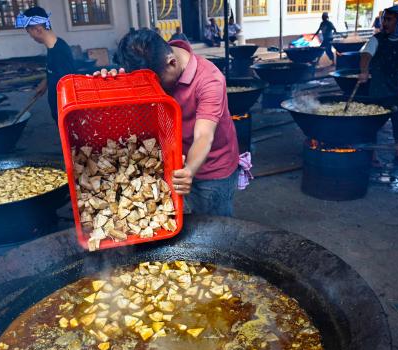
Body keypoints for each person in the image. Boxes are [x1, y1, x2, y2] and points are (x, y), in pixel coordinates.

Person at [97, 29, 240, 216]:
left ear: (172, 63)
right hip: (174, 161)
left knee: (215, 226)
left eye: (159, 84)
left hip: (211, 169)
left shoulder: (210, 80)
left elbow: (204, 136)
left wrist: (189, 170)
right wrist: (112, 82)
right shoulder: (155, 63)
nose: (156, 90)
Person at [359, 5, 398, 167]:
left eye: (389, 19)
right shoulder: (377, 39)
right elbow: (366, 55)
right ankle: (373, 155)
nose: (384, 23)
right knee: (373, 123)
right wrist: (364, 71)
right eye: (384, 18)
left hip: (397, 89)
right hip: (378, 89)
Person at [16, 6, 76, 122]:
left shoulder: (59, 52)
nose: (31, 37)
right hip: (58, 113)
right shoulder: (52, 47)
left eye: (29, 32)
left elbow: (69, 86)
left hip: (65, 115)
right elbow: (54, 71)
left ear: (38, 29)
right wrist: (46, 82)